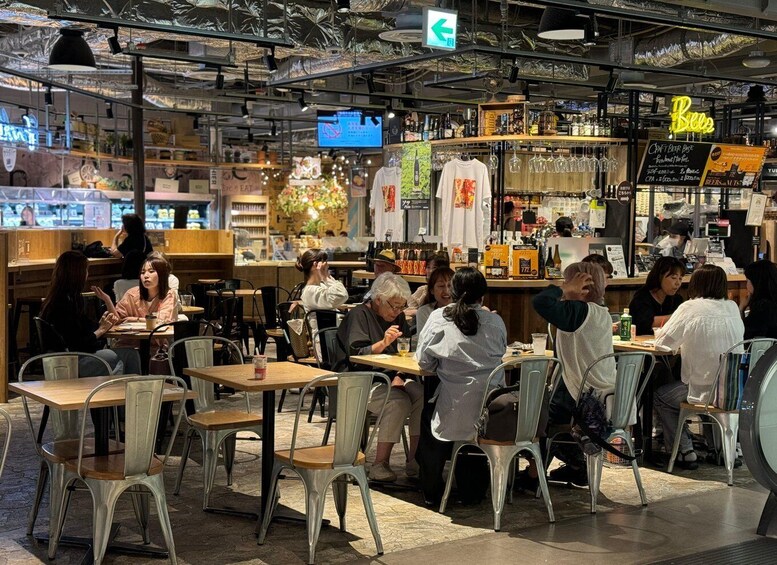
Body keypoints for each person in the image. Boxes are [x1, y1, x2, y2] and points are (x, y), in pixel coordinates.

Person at [415, 267, 506, 505]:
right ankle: (472, 491)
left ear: (453, 292)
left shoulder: (439, 318)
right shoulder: (495, 321)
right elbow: (501, 353)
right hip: (491, 409)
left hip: (452, 404)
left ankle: (431, 491)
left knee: (429, 417)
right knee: (472, 423)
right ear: (482, 295)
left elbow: (424, 361)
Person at [332, 273, 423, 482]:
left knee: (421, 394)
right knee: (398, 402)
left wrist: (400, 374)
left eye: (401, 307)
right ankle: (380, 464)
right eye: (394, 306)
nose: (397, 312)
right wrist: (383, 343)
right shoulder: (359, 315)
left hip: (389, 376)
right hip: (358, 381)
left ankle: (415, 460)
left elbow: (403, 351)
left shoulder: (398, 317)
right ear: (379, 299)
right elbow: (357, 356)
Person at [530, 262, 615, 487]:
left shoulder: (578, 312)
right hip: (602, 395)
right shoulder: (602, 313)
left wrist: (563, 289)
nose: (565, 285)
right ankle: (576, 466)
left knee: (535, 414)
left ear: (583, 288)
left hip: (580, 396)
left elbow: (540, 302)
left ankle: (534, 475)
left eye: (568, 281)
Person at [654, 264, 744, 470]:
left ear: (695, 284)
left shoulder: (690, 307)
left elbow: (663, 344)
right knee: (710, 382)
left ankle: (685, 451)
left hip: (702, 391)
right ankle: (719, 450)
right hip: (732, 390)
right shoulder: (732, 307)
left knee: (661, 397)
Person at [40, 251, 141, 376]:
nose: (87, 274)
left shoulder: (65, 298)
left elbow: (83, 326)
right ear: (77, 273)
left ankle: (126, 386)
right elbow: (78, 344)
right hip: (69, 361)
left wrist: (100, 324)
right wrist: (100, 330)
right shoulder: (62, 304)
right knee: (126, 355)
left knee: (128, 354)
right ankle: (128, 387)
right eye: (86, 270)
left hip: (70, 356)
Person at [95, 254, 178, 348]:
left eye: (151, 271)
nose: (146, 276)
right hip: (128, 344)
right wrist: (108, 300)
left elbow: (161, 321)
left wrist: (131, 319)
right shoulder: (132, 293)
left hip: (155, 346)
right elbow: (116, 320)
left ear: (162, 275)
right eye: (142, 272)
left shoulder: (169, 295)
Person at [297, 248, 349, 356]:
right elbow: (341, 295)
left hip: (333, 340)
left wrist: (325, 278)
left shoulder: (320, 286)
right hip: (325, 346)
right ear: (315, 265)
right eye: (324, 262)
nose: (327, 265)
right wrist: (325, 277)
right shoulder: (310, 291)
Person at [628, 257, 685, 335]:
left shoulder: (677, 299)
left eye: (680, 278)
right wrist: (678, 316)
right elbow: (645, 323)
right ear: (660, 276)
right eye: (673, 278)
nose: (678, 283)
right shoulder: (642, 298)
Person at [741, 259, 777, 339]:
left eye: (747, 281)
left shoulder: (762, 306)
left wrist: (741, 309)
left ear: (756, 282)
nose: (746, 285)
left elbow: (744, 334)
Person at [415, 267, 454, 334]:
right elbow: (422, 339)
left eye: (450, 285)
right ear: (432, 290)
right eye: (441, 286)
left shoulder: (464, 311)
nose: (446, 291)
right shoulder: (424, 312)